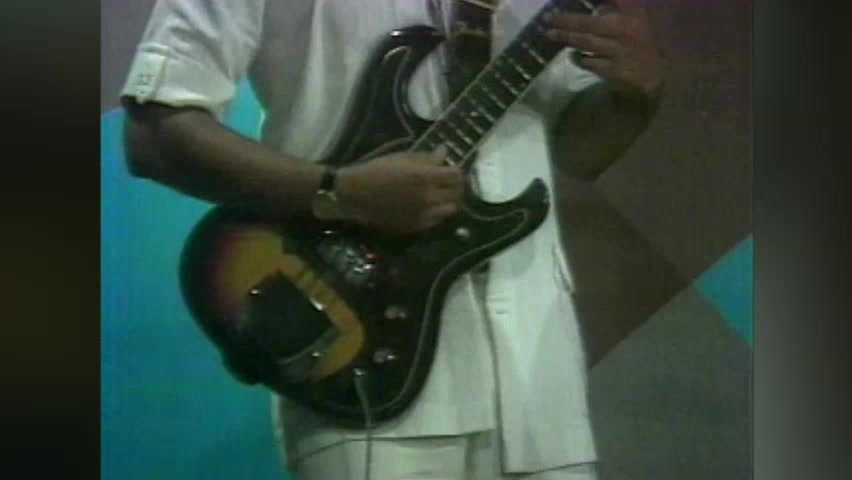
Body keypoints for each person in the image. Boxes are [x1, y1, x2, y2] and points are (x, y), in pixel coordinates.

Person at [120, 0, 663, 478]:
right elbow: (154, 134)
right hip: (358, 355)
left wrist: (637, 93)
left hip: (538, 386)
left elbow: (582, 154)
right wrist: (339, 193)